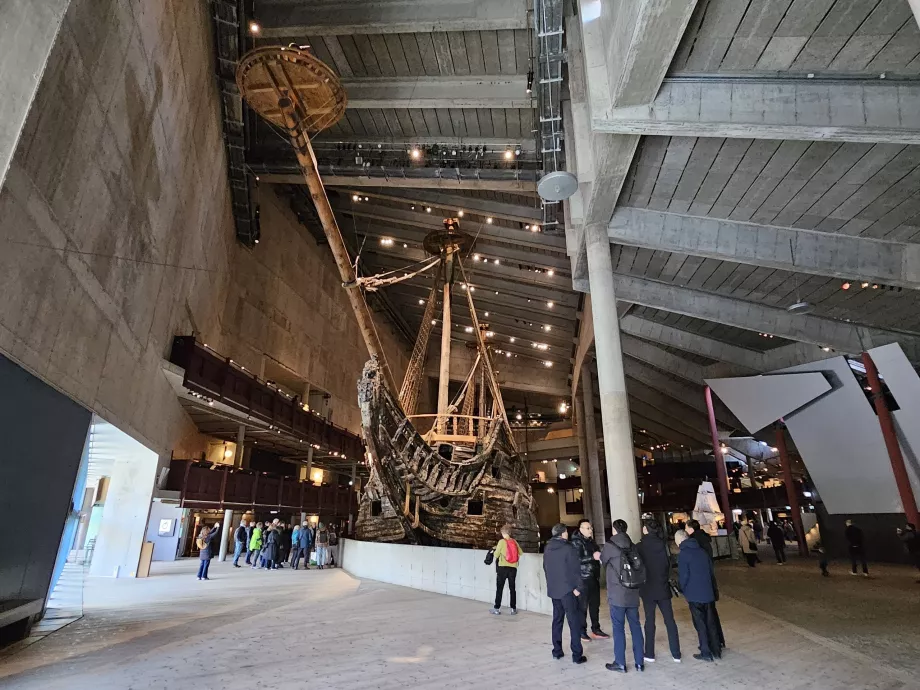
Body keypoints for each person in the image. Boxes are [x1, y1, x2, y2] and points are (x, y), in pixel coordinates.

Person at [600, 519, 645, 673]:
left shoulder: (609, 546)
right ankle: (639, 662)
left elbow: (603, 562)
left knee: (618, 628)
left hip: (617, 595)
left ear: (614, 530)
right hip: (632, 593)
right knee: (636, 627)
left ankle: (620, 662)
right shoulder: (633, 546)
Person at [637, 517, 681, 663]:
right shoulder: (663, 545)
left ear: (646, 529)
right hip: (663, 587)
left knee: (650, 621)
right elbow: (669, 565)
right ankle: (676, 653)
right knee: (670, 620)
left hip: (647, 589)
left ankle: (649, 653)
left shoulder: (640, 546)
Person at [542, 523, 585, 664]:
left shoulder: (548, 548)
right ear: (562, 534)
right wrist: (578, 587)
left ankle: (557, 651)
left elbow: (546, 568)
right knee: (574, 622)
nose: (567, 534)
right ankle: (577, 655)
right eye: (566, 532)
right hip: (568, 591)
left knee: (557, 620)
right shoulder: (568, 548)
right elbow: (575, 570)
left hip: (554, 590)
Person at [675, 529, 720, 662]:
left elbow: (684, 576)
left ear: (680, 540)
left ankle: (705, 651)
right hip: (708, 591)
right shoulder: (702, 551)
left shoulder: (684, 554)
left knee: (700, 623)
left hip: (694, 594)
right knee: (711, 622)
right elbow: (711, 571)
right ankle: (716, 649)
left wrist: (681, 589)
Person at [686, 520, 724, 650]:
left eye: (686, 527)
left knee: (702, 618)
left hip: (698, 584)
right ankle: (718, 642)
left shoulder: (695, 543)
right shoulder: (704, 540)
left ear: (690, 528)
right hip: (708, 581)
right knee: (711, 614)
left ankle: (707, 645)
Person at [569, 520, 608, 640]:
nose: (590, 530)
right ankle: (582, 631)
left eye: (590, 528)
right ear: (580, 529)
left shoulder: (591, 541)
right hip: (583, 578)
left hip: (593, 577)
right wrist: (593, 557)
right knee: (583, 607)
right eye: (587, 528)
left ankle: (596, 629)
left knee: (595, 605)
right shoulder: (576, 542)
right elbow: (576, 560)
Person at [490, 524, 521, 615]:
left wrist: (496, 550)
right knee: (512, 588)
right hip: (513, 568)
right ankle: (513, 609)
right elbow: (520, 552)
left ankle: (496, 608)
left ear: (503, 533)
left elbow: (496, 555)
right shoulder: (514, 541)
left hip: (502, 568)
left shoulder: (501, 542)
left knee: (500, 588)